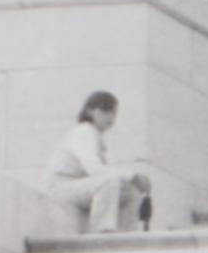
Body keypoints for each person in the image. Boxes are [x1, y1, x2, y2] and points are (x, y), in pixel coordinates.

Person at [45, 90, 150, 233]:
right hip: (61, 187)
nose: (110, 116)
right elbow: (94, 170)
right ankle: (101, 232)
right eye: (105, 110)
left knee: (131, 192)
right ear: (89, 111)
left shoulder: (94, 135)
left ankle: (127, 236)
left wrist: (134, 183)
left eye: (114, 112)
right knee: (110, 182)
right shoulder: (84, 132)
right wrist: (133, 176)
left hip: (79, 187)